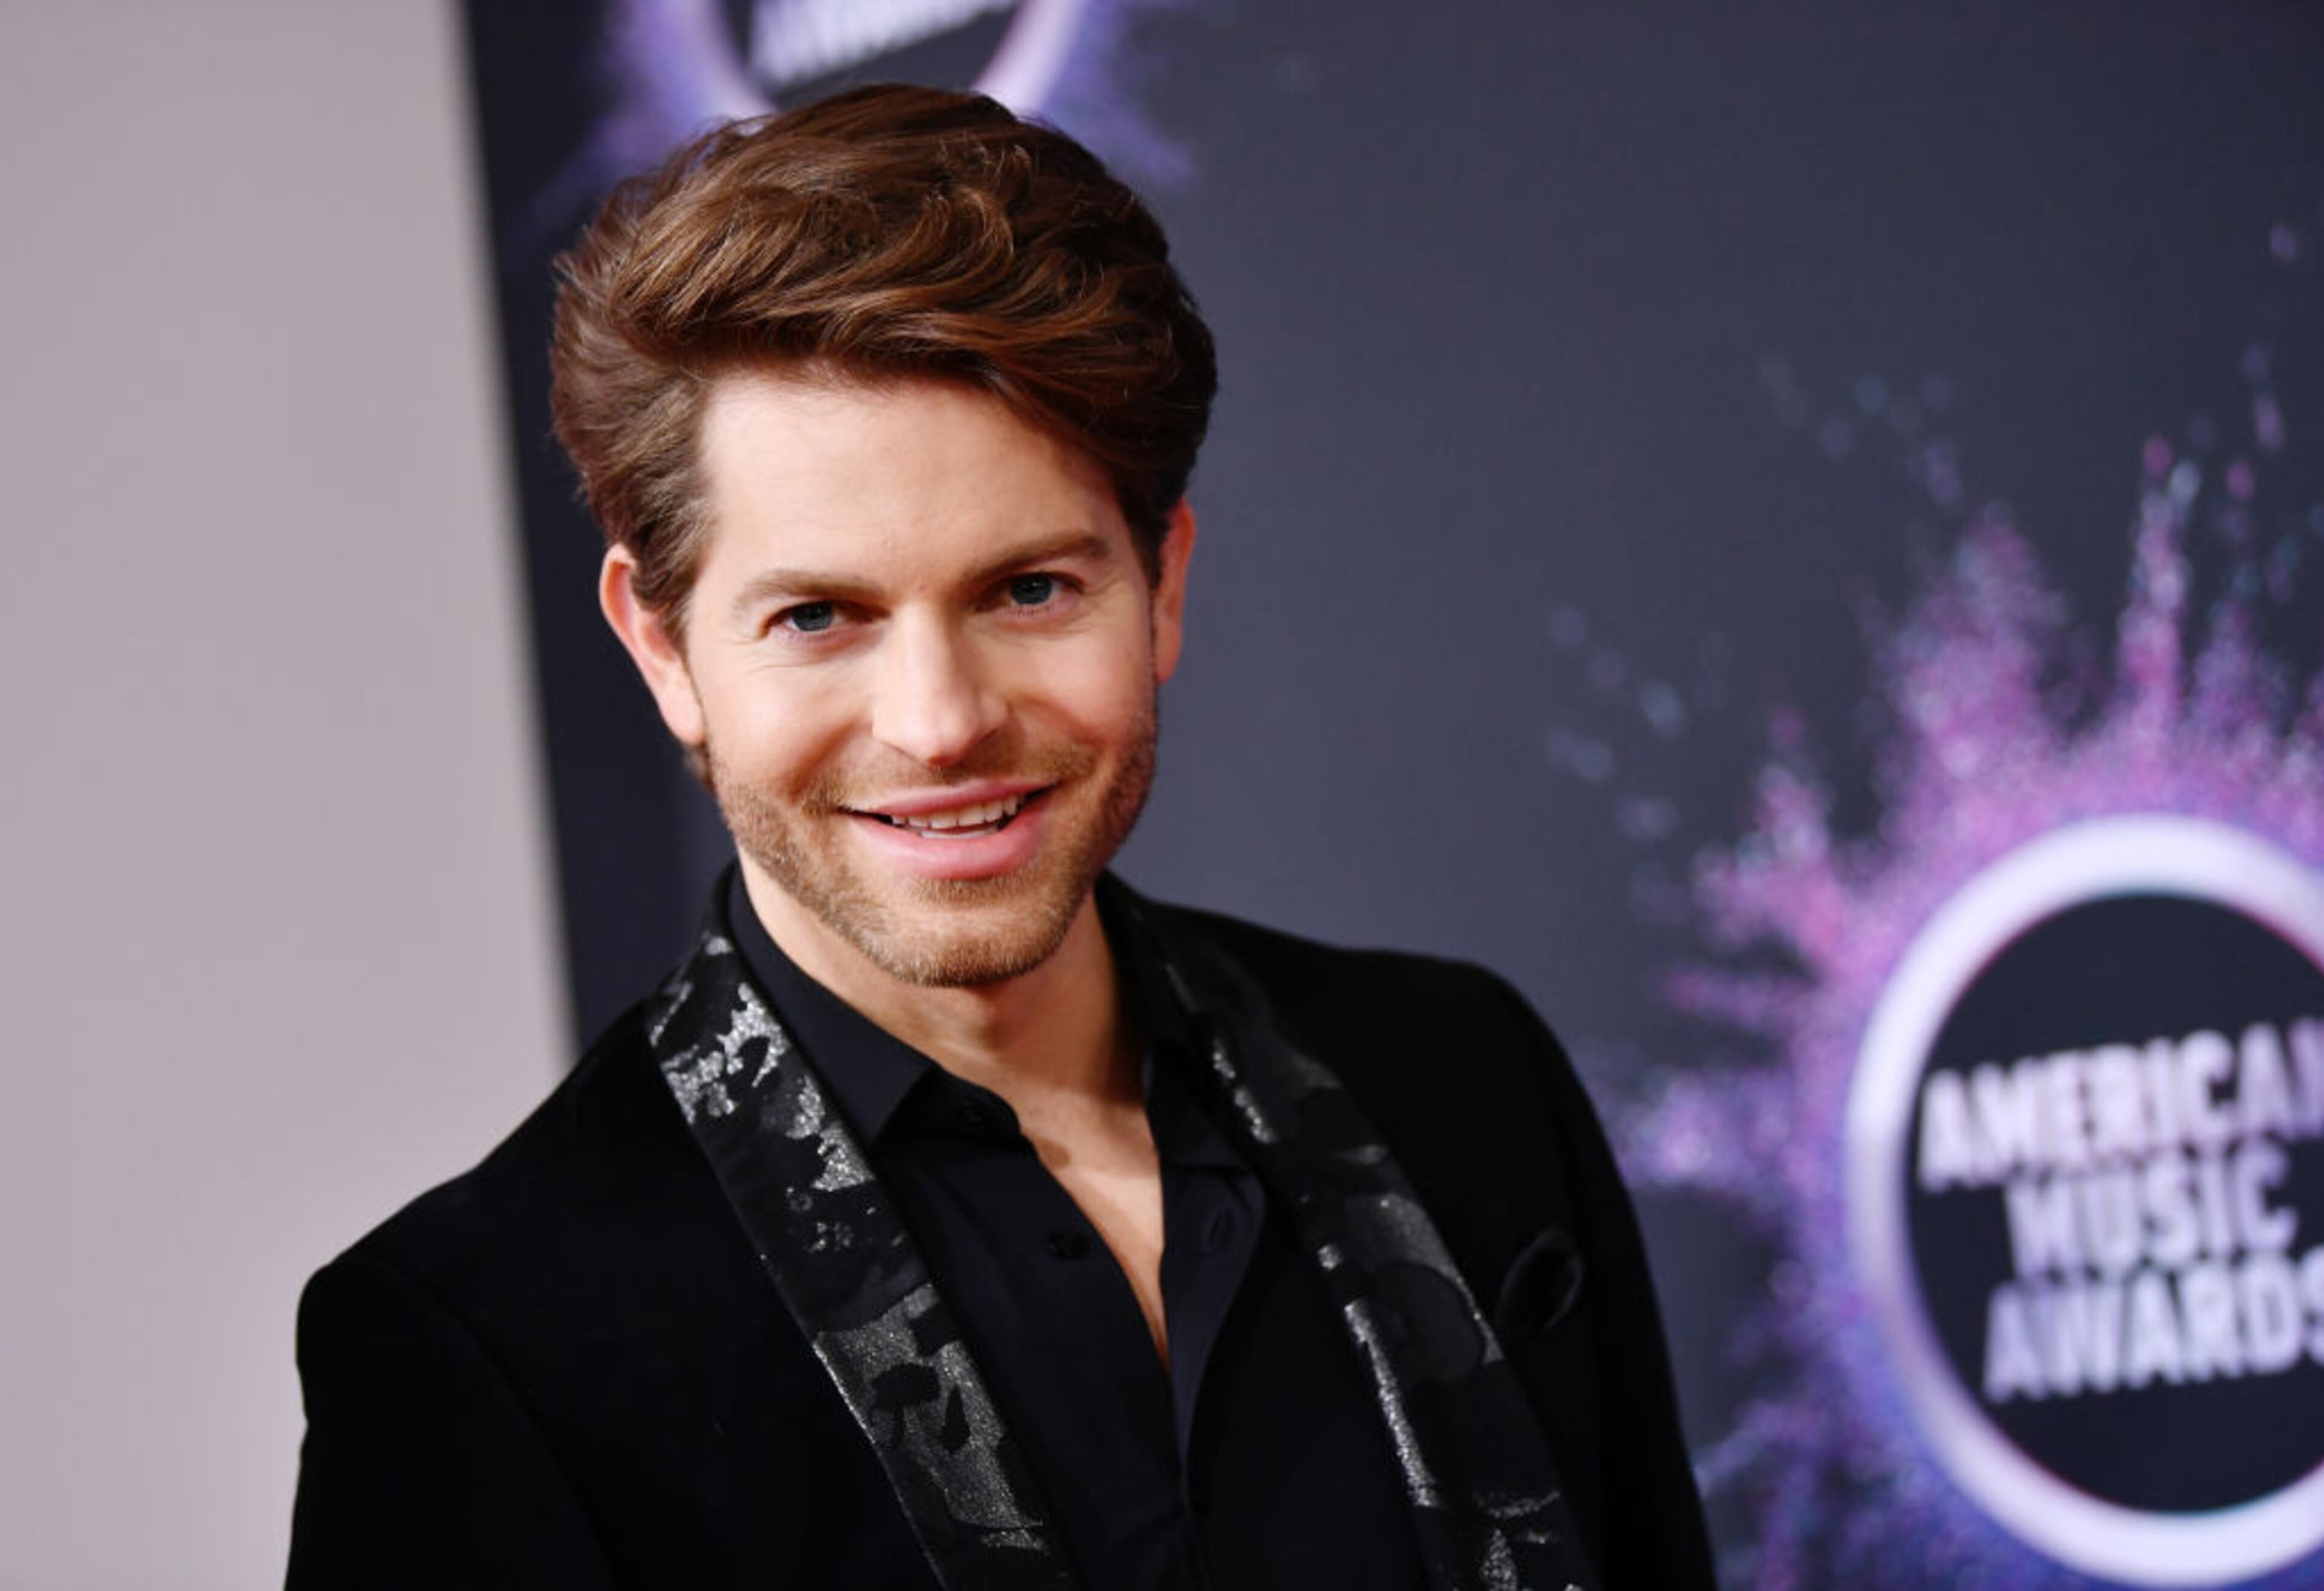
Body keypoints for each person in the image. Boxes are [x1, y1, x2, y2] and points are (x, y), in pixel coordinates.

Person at [286, 84, 1713, 1591]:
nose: (941, 719)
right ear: (660, 645)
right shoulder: (486, 1340)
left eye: (1028, 590)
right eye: (818, 616)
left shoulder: (1461, 1082)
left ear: (1161, 585)